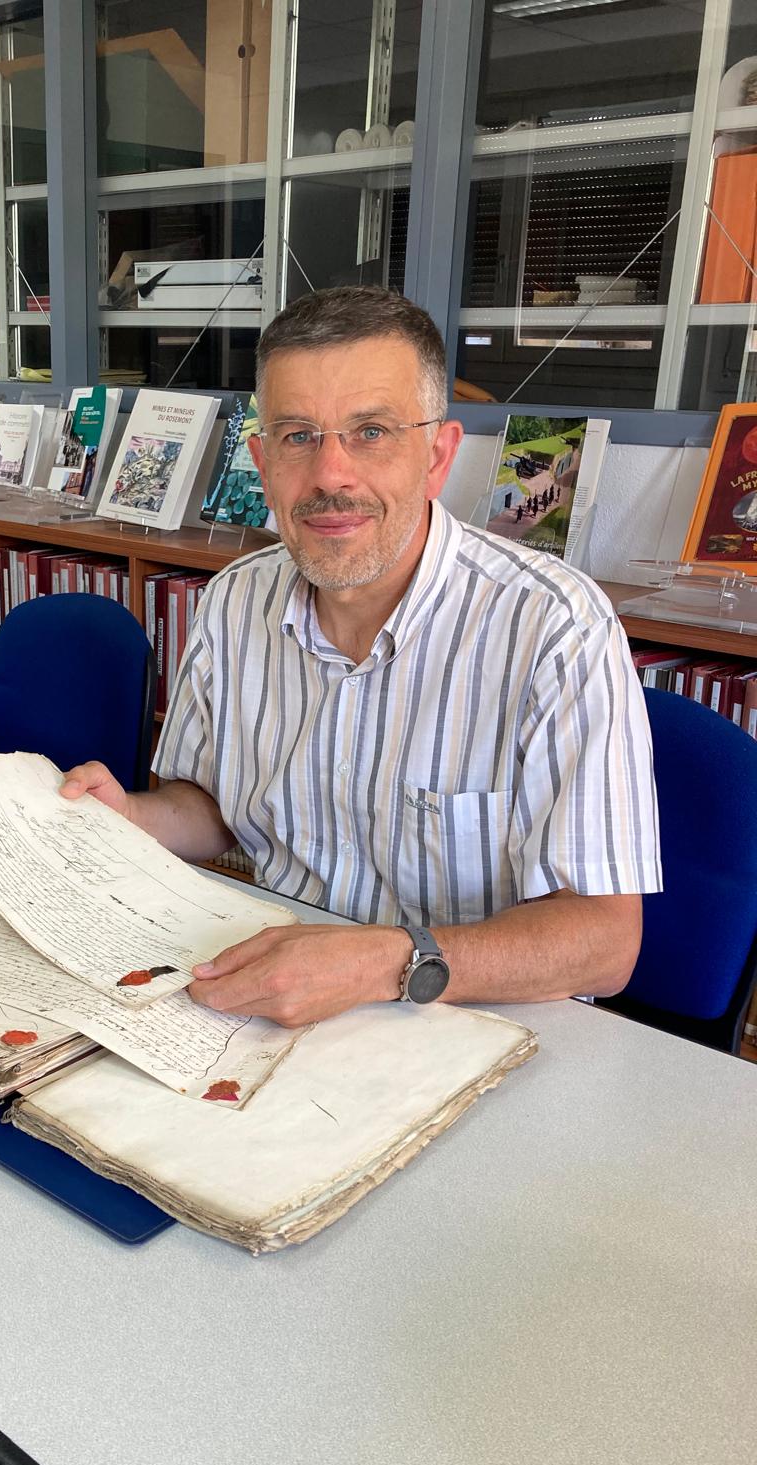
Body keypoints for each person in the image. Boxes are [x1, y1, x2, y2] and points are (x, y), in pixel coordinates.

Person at [61, 287, 660, 1025]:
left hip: (469, 1016)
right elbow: (211, 810)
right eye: (298, 436)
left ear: (437, 456)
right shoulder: (231, 601)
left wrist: (386, 963)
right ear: (262, 461)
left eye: (370, 431)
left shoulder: (553, 627)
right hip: (270, 999)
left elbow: (605, 942)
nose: (330, 475)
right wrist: (130, 817)